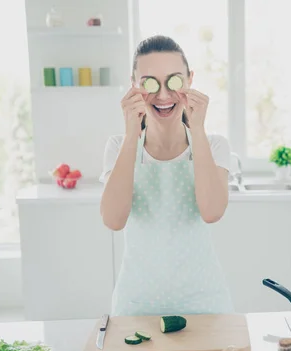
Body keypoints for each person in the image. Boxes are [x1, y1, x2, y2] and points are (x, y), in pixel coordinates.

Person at [99, 35, 235, 317]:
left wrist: (197, 128)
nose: (162, 95)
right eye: (150, 82)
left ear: (189, 80)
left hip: (204, 302)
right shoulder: (119, 146)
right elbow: (113, 220)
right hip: (136, 304)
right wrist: (131, 135)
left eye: (173, 81)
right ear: (134, 86)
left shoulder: (214, 145)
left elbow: (211, 212)